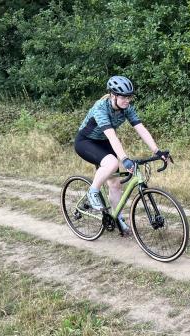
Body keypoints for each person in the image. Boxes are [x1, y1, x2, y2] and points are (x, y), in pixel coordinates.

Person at [74, 75, 169, 234]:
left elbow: (141, 129)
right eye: (124, 97)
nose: (127, 100)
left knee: (116, 183)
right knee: (112, 164)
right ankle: (93, 192)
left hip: (103, 143)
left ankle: (116, 217)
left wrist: (157, 151)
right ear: (113, 95)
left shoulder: (127, 108)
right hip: (86, 142)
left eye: (129, 96)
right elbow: (112, 136)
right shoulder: (101, 108)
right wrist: (124, 159)